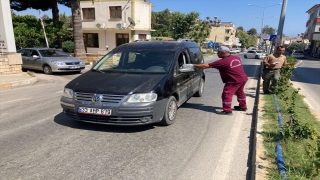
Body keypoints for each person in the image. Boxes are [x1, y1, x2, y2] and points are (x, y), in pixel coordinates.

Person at [192, 46, 248, 115]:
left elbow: (205, 66)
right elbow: (229, 67)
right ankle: (243, 106)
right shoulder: (236, 57)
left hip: (234, 80)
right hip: (243, 78)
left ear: (223, 53)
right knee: (240, 92)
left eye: (218, 52)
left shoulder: (222, 61)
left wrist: (193, 65)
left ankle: (227, 110)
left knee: (227, 94)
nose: (217, 54)